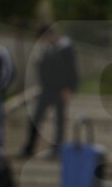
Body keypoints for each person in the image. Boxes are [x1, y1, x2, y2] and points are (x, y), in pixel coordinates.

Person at [21, 25, 78, 159]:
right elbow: (43, 69)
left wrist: (69, 88)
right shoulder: (46, 49)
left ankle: (57, 149)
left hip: (60, 89)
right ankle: (29, 147)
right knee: (36, 117)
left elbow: (71, 69)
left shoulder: (65, 47)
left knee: (59, 120)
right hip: (46, 89)